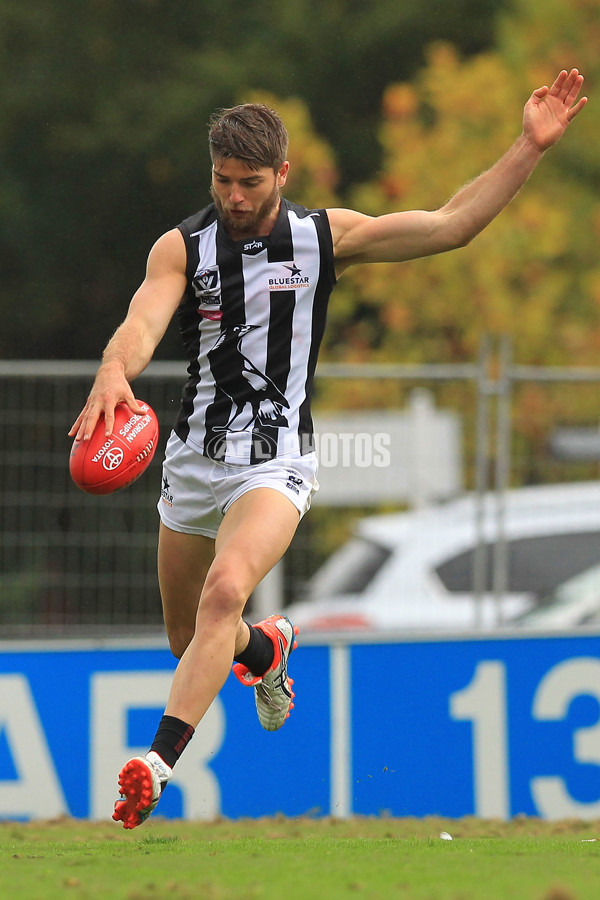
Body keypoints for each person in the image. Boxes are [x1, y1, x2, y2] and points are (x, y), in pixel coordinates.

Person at [69, 68, 587, 828]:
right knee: (191, 638)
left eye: (249, 182)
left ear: (282, 173)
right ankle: (264, 652)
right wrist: (115, 367)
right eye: (222, 181)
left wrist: (527, 147)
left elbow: (449, 225)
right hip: (192, 462)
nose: (235, 197)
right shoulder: (182, 248)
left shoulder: (323, 237)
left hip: (277, 461)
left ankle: (155, 763)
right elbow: (143, 323)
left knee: (224, 592)